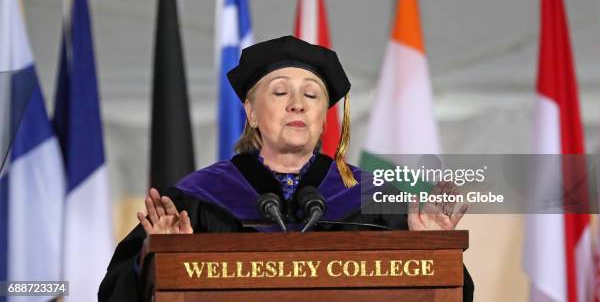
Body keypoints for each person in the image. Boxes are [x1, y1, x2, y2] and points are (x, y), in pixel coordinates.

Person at [98, 35, 474, 301]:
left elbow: (443, 294)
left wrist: (430, 248)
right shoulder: (194, 201)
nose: (298, 104)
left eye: (311, 95)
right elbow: (118, 291)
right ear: (250, 113)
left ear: (323, 118)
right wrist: (159, 257)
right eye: (280, 92)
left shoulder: (375, 200)